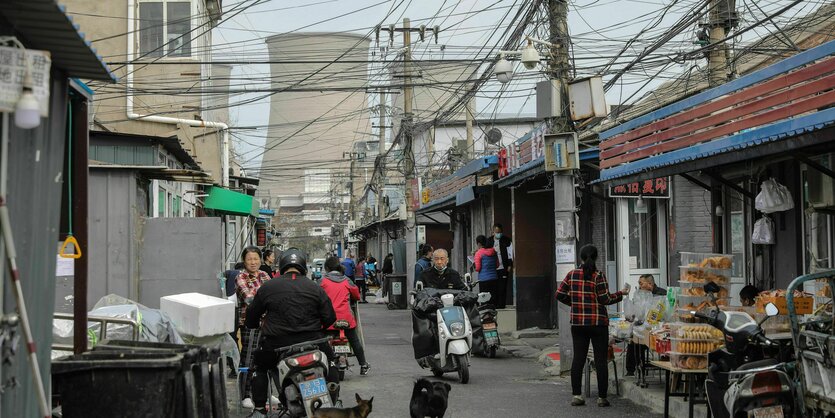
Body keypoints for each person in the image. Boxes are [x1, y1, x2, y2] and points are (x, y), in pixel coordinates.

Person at [245, 248, 338, 418]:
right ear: (303, 266)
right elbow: (330, 318)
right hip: (314, 341)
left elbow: (251, 319)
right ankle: (335, 399)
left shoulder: (268, 287)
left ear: (282, 266)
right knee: (331, 361)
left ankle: (259, 409)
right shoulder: (315, 287)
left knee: (260, 367)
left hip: (276, 345)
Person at [556, 244, 630, 407]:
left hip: (578, 323)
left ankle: (577, 396)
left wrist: (574, 303)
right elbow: (605, 299)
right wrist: (621, 294)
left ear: (581, 258)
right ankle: (602, 398)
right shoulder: (599, 276)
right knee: (600, 360)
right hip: (598, 323)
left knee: (579, 359)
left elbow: (559, 294)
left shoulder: (572, 274)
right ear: (596, 258)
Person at [320, 256, 370, 376]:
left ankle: (322, 365)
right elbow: (357, 295)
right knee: (354, 340)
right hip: (346, 319)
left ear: (327, 268)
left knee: (322, 342)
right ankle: (363, 365)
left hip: (329, 320)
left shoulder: (322, 282)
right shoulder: (347, 280)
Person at [235, 247, 272, 408]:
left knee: (267, 359)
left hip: (268, 324)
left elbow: (274, 295)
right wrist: (267, 300)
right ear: (244, 261)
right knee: (248, 359)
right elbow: (250, 299)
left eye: (256, 258)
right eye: (249, 259)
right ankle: (245, 395)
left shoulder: (265, 275)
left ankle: (267, 395)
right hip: (250, 324)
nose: (253, 262)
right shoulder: (240, 277)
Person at [625, 274, 667, 377]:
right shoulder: (640, 294)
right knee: (634, 339)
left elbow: (663, 314)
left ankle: (642, 368)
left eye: (641, 283)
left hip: (658, 328)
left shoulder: (661, 294)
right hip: (643, 326)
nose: (639, 286)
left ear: (650, 284)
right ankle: (633, 369)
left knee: (641, 338)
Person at [486, 223, 512, 308]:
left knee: (502, 287)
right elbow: (485, 252)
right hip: (492, 268)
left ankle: (501, 304)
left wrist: (509, 265)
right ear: (493, 232)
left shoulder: (506, 240)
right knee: (494, 286)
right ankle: (494, 304)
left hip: (503, 267)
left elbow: (510, 253)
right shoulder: (489, 241)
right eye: (496, 232)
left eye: (500, 232)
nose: (498, 234)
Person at [473, 235, 500, 303]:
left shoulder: (478, 253)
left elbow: (478, 268)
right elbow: (497, 265)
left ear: (479, 243)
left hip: (484, 279)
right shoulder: (493, 251)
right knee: (493, 299)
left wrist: (474, 265)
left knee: (485, 300)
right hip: (494, 278)